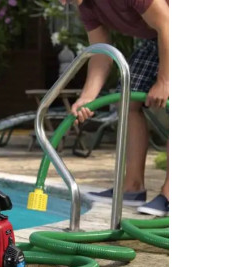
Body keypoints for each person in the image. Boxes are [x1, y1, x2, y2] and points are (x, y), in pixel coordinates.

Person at [64, 0, 169, 217]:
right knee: (127, 101)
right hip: (156, 39)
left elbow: (167, 23)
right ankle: (132, 187)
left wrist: (165, 80)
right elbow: (101, 54)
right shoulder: (87, 6)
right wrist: (87, 98)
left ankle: (171, 195)